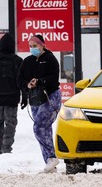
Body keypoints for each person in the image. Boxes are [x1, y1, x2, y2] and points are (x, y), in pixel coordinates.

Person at [18, 34, 61, 173]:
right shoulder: (27, 61)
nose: (32, 49)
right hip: (35, 98)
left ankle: (51, 157)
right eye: (30, 46)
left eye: (35, 46)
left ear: (42, 45)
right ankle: (50, 164)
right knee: (45, 129)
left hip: (51, 97)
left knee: (39, 128)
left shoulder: (50, 59)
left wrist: (40, 81)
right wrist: (27, 85)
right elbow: (20, 80)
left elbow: (54, 79)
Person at [0, 33, 26, 154]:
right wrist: (25, 96)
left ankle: (1, 147)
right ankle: (6, 148)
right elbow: (22, 81)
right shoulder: (18, 61)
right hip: (12, 98)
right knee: (10, 123)